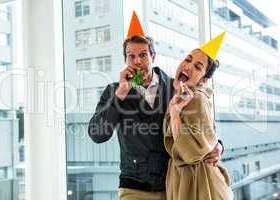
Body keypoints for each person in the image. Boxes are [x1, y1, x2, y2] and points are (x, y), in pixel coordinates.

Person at [88, 11, 224, 200]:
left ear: (153, 56)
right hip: (133, 188)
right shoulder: (115, 91)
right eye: (131, 56)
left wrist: (218, 145)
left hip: (172, 186)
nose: (137, 61)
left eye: (143, 55)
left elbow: (201, 124)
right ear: (125, 60)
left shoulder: (175, 88)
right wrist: (120, 95)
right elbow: (97, 134)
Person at [163, 33, 233, 200]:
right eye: (188, 59)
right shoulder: (184, 93)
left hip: (198, 183)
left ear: (204, 79)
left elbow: (191, 151)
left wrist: (174, 114)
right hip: (191, 179)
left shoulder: (196, 97)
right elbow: (207, 136)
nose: (188, 66)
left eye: (198, 67)